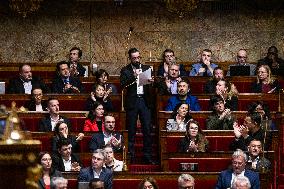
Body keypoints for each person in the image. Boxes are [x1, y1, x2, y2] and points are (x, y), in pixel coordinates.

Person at [120, 48, 155, 164]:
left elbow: (152, 84)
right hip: (132, 101)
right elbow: (123, 84)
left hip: (145, 101)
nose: (136, 59)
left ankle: (147, 155)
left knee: (147, 129)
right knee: (131, 129)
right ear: (130, 58)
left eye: (138, 57)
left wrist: (152, 81)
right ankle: (130, 155)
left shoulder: (147, 68)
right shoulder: (125, 70)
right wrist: (134, 76)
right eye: (134, 58)